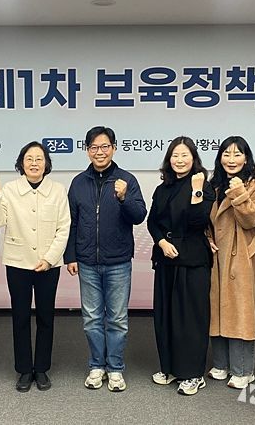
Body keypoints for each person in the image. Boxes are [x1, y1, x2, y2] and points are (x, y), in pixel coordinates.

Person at [64, 126, 147, 392]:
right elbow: (71, 222)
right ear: (87, 150)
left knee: (117, 319)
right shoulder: (78, 182)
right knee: (91, 318)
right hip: (87, 261)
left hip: (118, 261)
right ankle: (96, 365)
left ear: (113, 148)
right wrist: (70, 256)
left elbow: (139, 216)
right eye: (94, 147)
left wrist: (123, 198)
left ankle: (116, 368)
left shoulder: (127, 180)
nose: (99, 152)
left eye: (104, 146)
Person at [0, 142, 70, 392]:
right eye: (29, 158)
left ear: (47, 163)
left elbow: (64, 227)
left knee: (46, 317)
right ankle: (24, 369)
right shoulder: (9, 190)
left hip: (49, 265)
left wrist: (50, 258)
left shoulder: (57, 190)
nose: (34, 163)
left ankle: (41, 368)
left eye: (39, 158)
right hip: (18, 263)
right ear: (21, 163)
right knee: (20, 317)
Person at [147, 136, 215, 396]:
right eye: (175, 155)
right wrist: (162, 242)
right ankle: (170, 367)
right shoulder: (162, 188)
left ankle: (193, 374)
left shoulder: (203, 186)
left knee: (191, 318)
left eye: (185, 155)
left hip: (193, 259)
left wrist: (197, 191)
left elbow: (199, 221)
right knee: (166, 315)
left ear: (193, 158)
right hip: (166, 257)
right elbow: (152, 221)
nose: (179, 160)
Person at [206, 136, 255, 389]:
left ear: (246, 158)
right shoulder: (212, 185)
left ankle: (243, 370)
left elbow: (251, 220)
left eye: (237, 154)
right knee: (217, 308)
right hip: (216, 255)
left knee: (240, 311)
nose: (231, 159)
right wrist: (207, 238)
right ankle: (221, 364)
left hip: (240, 255)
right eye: (226, 154)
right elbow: (205, 219)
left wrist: (239, 191)